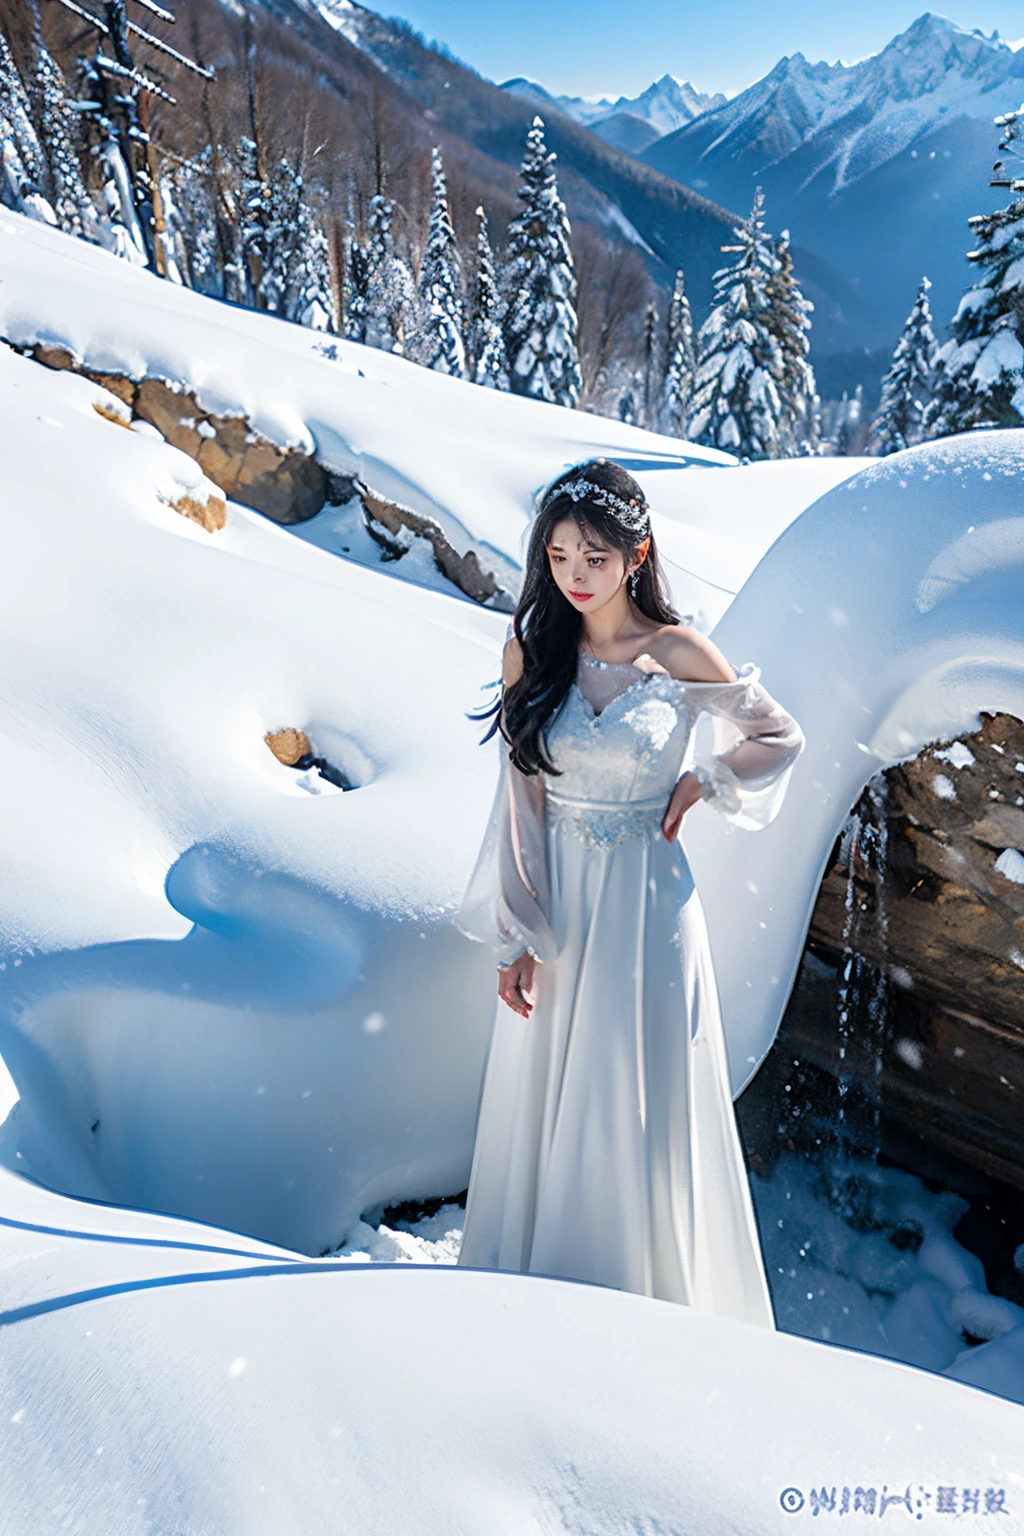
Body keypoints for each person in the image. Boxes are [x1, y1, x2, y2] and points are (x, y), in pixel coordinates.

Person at [455, 459, 805, 1327]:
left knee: (634, 1091)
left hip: (652, 909)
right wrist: (519, 931)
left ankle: (644, 1305)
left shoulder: (679, 653)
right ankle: (542, 1292)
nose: (576, 575)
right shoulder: (532, 654)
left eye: (596, 557)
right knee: (552, 1089)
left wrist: (709, 781)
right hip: (566, 907)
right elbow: (520, 799)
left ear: (636, 554)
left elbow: (779, 734)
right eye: (562, 555)